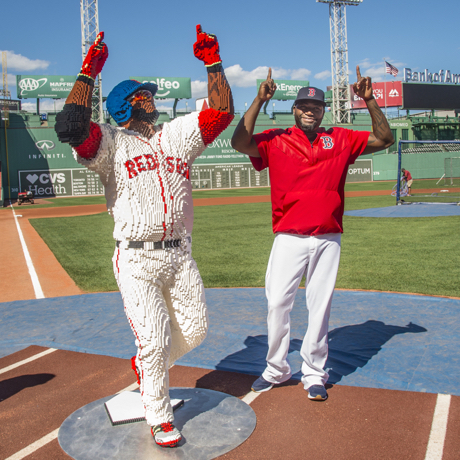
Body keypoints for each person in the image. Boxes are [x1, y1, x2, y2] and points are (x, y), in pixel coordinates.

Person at [55, 26, 234, 447]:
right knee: (153, 338)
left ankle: (146, 366)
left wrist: (212, 62)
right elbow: (70, 126)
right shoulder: (111, 143)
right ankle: (159, 414)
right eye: (141, 94)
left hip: (179, 255)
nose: (149, 96)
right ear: (124, 106)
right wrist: (88, 71)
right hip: (137, 259)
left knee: (196, 330)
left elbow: (221, 112)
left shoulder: (177, 135)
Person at [231, 66, 394, 401]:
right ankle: (276, 368)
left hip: (327, 238)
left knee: (320, 308)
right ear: (294, 110)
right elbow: (239, 142)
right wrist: (259, 100)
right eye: (304, 106)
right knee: (277, 303)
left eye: (316, 107)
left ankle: (314, 373)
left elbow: (385, 138)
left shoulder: (341, 138)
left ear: (323, 111)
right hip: (288, 237)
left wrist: (369, 99)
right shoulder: (275, 139)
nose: (310, 110)